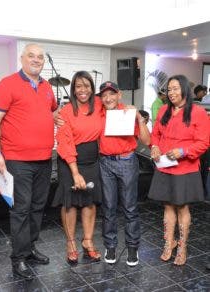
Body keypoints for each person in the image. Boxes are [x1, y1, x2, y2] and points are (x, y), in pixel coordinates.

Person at [0, 43, 57, 280]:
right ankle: (18, 257)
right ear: (22, 58)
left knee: (38, 207)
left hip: (45, 159)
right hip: (17, 160)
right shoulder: (8, 84)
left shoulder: (48, 87)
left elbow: (51, 112)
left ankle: (30, 248)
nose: (36, 60)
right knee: (21, 209)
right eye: (31, 56)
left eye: (40, 57)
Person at [148, 75, 209, 266]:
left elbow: (204, 143)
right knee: (167, 206)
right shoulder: (164, 110)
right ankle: (169, 243)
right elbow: (155, 134)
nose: (172, 93)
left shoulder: (198, 113)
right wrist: (154, 147)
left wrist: (183, 151)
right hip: (165, 165)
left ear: (184, 90)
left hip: (186, 167)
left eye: (175, 88)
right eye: (169, 89)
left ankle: (182, 247)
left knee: (182, 207)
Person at [52, 71, 103, 265]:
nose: (83, 90)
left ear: (92, 88)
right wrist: (75, 173)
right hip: (69, 161)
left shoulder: (98, 105)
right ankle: (71, 243)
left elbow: (115, 106)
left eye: (86, 86)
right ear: (73, 89)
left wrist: (129, 108)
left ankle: (88, 241)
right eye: (78, 86)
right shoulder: (65, 111)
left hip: (92, 159)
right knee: (70, 203)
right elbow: (64, 142)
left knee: (90, 201)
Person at [98, 81, 150, 266]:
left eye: (112, 94)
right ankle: (110, 246)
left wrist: (139, 118)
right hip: (105, 163)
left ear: (119, 94)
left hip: (127, 162)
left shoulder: (128, 112)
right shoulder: (99, 113)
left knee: (130, 208)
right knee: (109, 208)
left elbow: (146, 140)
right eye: (104, 95)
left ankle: (133, 248)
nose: (108, 98)